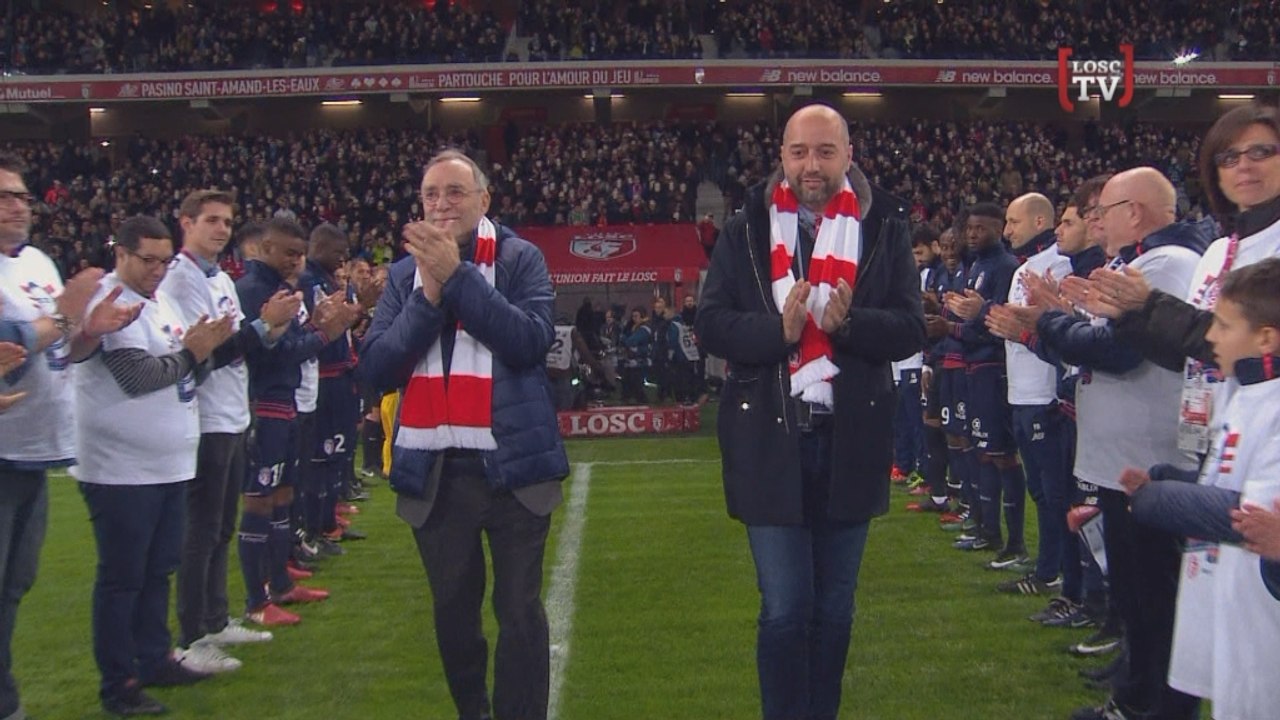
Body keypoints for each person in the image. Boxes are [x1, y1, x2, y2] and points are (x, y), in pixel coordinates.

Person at [695, 104, 924, 720]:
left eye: (824, 151)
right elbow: (711, 323)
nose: (811, 165)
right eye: (799, 152)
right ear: (783, 156)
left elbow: (909, 326)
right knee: (786, 607)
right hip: (771, 444)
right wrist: (780, 331)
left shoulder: (885, 226)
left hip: (852, 440)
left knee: (834, 611)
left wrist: (846, 326)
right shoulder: (745, 225)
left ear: (848, 154)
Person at [359, 150, 569, 720]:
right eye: (431, 194)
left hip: (514, 466)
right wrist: (429, 298)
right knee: (454, 612)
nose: (441, 203)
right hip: (437, 473)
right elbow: (376, 367)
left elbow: (528, 343)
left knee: (520, 609)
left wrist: (459, 278)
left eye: (455, 191)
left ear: (484, 201)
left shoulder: (522, 259)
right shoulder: (405, 277)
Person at [1035, 168, 1210, 720]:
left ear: (1134, 212)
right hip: (1126, 454)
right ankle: (1134, 697)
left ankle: (1146, 705)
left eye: (1102, 211)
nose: (1095, 222)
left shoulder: (1167, 265)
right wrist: (1058, 322)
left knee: (1152, 596)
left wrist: (1047, 321)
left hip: (1147, 455)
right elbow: (1096, 338)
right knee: (1137, 593)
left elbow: (1117, 349)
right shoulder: (1141, 263)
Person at [73, 215, 235, 716]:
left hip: (166, 462)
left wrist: (199, 352)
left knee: (158, 569)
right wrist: (193, 354)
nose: (159, 270)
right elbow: (136, 375)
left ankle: (153, 657)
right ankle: (118, 683)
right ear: (119, 253)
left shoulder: (157, 298)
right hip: (120, 467)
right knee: (123, 577)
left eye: (165, 260)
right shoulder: (109, 300)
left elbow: (185, 363)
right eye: (147, 260)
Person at [0, 152, 139, 720]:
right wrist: (59, 319)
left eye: (22, 196)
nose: (17, 206)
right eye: (4, 196)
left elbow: (57, 347)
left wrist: (86, 332)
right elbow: (7, 347)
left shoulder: (36, 262)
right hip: (3, 450)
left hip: (37, 449)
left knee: (15, 587)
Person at [1123, 258, 1280, 720]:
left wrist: (1153, 500)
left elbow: (1248, 514)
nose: (1210, 336)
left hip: (1262, 612)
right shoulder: (1247, 389)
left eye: (1224, 325)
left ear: (1266, 337)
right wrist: (1170, 480)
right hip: (1233, 596)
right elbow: (1232, 479)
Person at [161, 192, 296, 674]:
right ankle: (193, 634)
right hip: (206, 417)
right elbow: (209, 351)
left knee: (220, 526)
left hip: (233, 414)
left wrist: (264, 332)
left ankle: (215, 619)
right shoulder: (180, 279)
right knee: (201, 530)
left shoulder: (217, 277)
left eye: (227, 222)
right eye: (211, 221)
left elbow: (234, 346)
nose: (221, 229)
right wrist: (265, 325)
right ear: (185, 223)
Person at [235, 217, 355, 627]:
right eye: (288, 252)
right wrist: (325, 333)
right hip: (265, 405)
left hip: (285, 404)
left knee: (284, 494)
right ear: (265, 248)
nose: (296, 261)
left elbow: (288, 343)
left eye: (299, 253)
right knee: (260, 500)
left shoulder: (279, 289)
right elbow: (277, 353)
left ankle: (281, 582)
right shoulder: (253, 291)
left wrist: (317, 327)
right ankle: (256, 600)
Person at [944, 203, 1023, 555]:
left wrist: (953, 327)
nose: (972, 234)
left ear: (999, 227)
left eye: (980, 228)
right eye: (969, 228)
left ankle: (1011, 541)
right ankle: (986, 527)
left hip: (993, 369)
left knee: (999, 454)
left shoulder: (1006, 267)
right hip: (973, 368)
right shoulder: (976, 265)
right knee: (980, 450)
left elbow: (999, 326)